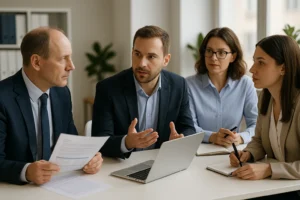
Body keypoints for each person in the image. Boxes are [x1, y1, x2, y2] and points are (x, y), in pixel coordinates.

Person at [0, 27, 103, 185]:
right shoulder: (3, 98)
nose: (71, 66)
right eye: (63, 58)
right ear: (36, 62)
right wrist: (26, 171)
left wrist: (88, 158)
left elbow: (70, 141)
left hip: (58, 185)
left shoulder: (62, 94)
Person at [92, 25, 195, 158]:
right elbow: (99, 141)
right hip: (120, 167)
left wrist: (181, 139)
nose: (141, 63)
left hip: (161, 163)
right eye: (137, 54)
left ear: (166, 60)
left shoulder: (178, 85)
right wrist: (126, 142)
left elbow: (189, 128)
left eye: (151, 57)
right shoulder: (108, 88)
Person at [230, 35, 300, 198]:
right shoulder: (265, 97)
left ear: (283, 68)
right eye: (254, 61)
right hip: (278, 187)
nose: (252, 69)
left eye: (261, 62)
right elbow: (260, 140)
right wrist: (248, 153)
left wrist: (269, 169)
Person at [186, 27, 258, 147]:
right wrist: (212, 137)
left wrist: (240, 137)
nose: (213, 58)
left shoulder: (245, 84)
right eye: (209, 51)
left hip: (233, 151)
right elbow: (189, 127)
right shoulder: (189, 85)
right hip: (199, 151)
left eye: (221, 53)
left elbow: (256, 124)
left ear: (233, 57)